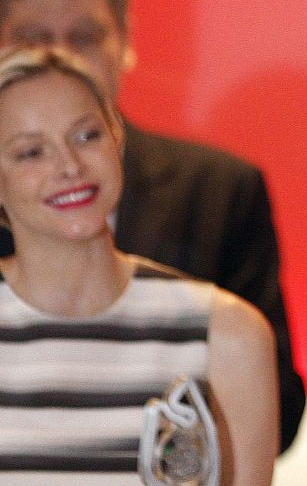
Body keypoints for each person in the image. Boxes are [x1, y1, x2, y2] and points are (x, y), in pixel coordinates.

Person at [0, 0, 307, 451]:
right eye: (34, 40)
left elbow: (279, 411)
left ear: (125, 45)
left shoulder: (219, 190)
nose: (60, 60)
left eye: (85, 38)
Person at [0, 46, 277, 483]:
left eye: (86, 135)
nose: (69, 166)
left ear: (118, 139)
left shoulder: (226, 333)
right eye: (31, 152)